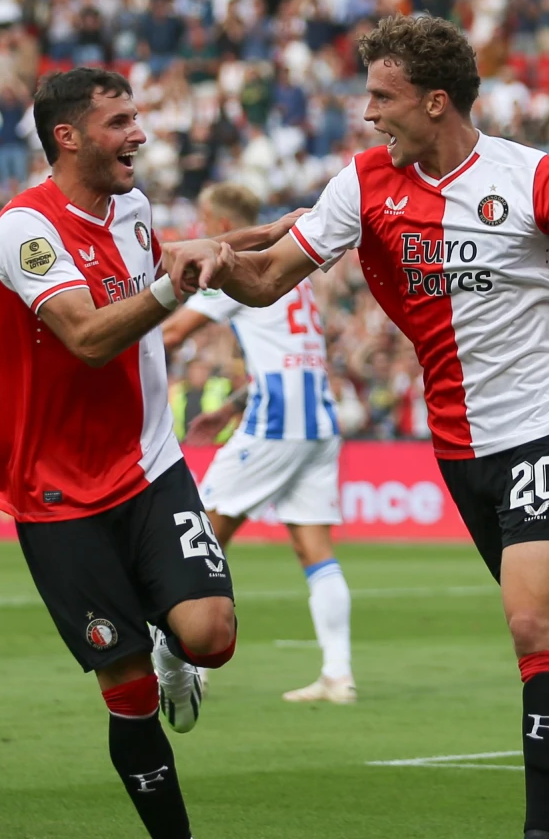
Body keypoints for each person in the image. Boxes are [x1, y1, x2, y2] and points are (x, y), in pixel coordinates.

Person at [205, 15, 549, 836]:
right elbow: (269, 278)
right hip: (462, 446)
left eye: (382, 97)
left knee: (532, 627)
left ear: (435, 102)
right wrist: (211, 266)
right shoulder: (362, 185)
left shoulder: (532, 177)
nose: (367, 112)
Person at [0, 67, 296, 839]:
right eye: (120, 122)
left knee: (211, 636)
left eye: (136, 118)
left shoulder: (134, 211)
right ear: (69, 136)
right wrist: (172, 288)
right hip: (55, 495)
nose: (139, 135)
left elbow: (186, 259)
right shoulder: (26, 229)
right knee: (125, 691)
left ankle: (174, 650)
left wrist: (302, 229)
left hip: (149, 465)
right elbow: (86, 336)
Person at [161, 182, 354, 704]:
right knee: (313, 548)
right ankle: (338, 675)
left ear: (222, 226)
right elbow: (289, 355)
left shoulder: (230, 267)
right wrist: (233, 404)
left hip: (277, 424)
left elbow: (172, 334)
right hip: (317, 421)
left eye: (204, 221)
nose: (201, 232)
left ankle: (188, 668)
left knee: (198, 536)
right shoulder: (294, 270)